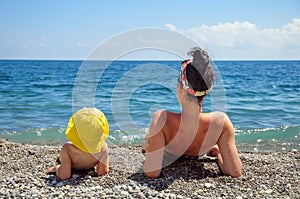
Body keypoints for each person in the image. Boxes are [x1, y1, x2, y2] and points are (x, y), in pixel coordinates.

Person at [142, 47, 242, 178]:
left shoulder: (162, 119)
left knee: (147, 139)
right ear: (207, 90)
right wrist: (218, 154)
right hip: (200, 152)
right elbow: (235, 171)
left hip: (168, 152)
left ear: (180, 87)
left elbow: (152, 172)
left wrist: (148, 149)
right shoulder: (220, 122)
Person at [45, 107, 110, 180]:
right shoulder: (103, 147)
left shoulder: (68, 148)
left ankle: (60, 164)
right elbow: (102, 172)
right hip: (89, 166)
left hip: (72, 164)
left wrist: (57, 168)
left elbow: (64, 176)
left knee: (62, 158)